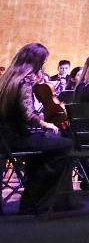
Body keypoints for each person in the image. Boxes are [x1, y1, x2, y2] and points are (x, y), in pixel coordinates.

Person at [0, 43, 78, 214]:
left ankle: (34, 198)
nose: (42, 67)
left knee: (47, 147)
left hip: (5, 137)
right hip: (17, 138)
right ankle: (43, 199)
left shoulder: (7, 79)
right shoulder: (25, 81)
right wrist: (45, 123)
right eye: (42, 62)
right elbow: (28, 115)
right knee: (65, 144)